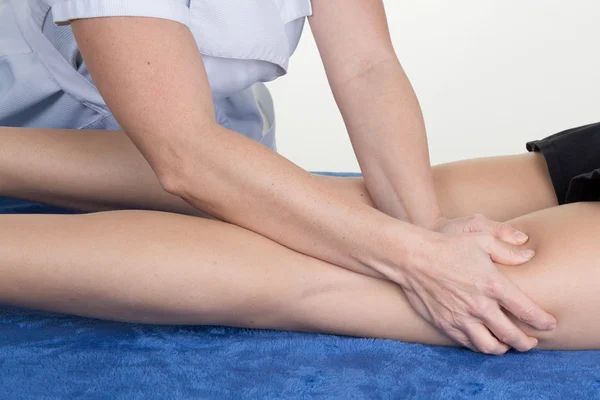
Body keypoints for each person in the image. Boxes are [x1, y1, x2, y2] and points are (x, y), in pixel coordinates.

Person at [0, 0, 558, 355]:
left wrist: (425, 225)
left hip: (206, 126)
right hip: (38, 109)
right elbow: (184, 154)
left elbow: (367, 68)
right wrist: (412, 256)